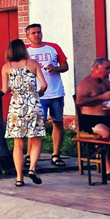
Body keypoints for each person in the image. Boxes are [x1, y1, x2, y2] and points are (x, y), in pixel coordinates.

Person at [1, 39, 47, 186]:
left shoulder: (6, 67)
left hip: (16, 107)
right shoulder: (33, 64)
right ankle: (32, 168)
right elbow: (44, 84)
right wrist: (38, 93)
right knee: (36, 139)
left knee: (18, 143)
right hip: (34, 105)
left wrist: (12, 88)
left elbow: (4, 90)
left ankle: (19, 178)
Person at [24, 23, 69, 167]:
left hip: (55, 92)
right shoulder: (25, 51)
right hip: (36, 93)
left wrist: (55, 68)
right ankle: (30, 155)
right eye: (33, 33)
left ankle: (56, 154)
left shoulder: (53, 47)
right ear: (28, 36)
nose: (37, 35)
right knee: (35, 125)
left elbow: (65, 66)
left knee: (58, 122)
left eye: (38, 32)